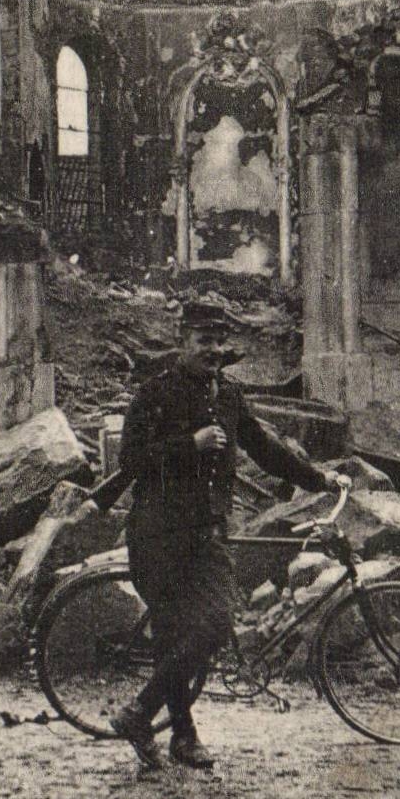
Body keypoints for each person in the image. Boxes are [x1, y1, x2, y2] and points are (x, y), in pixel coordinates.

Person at [93, 297, 349, 772]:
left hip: (207, 535)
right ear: (181, 342)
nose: (212, 350)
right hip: (158, 535)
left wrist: (320, 478)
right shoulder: (155, 394)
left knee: (209, 625)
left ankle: (150, 720)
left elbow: (265, 449)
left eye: (217, 341)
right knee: (184, 635)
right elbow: (130, 463)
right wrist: (188, 445)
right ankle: (173, 733)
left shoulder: (228, 395)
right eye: (202, 341)